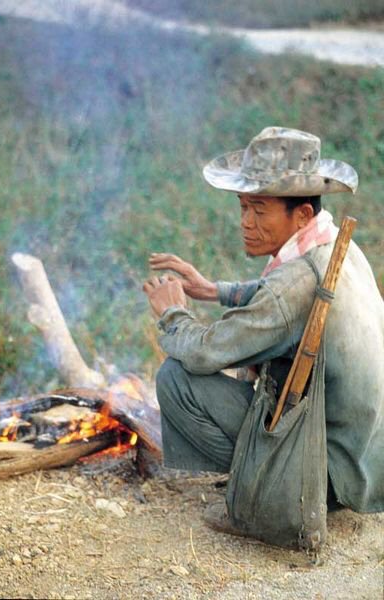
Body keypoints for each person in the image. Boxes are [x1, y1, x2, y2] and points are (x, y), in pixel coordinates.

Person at [143, 126, 384, 533]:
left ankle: (264, 495)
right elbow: (277, 296)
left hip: (325, 473)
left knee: (176, 378)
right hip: (365, 463)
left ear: (301, 214)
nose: (246, 223)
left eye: (259, 210)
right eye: (243, 208)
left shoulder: (292, 286)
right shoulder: (334, 245)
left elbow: (204, 352)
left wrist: (172, 314)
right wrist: (214, 290)